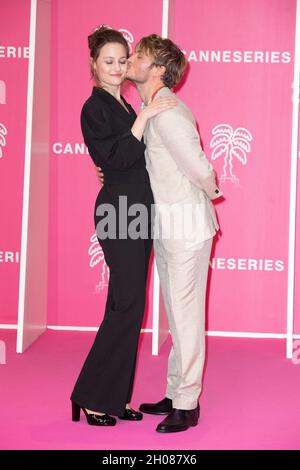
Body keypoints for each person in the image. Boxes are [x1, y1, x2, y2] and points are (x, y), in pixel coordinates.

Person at [96, 34, 223, 433]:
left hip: (186, 227)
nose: (129, 60)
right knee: (176, 314)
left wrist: (211, 194)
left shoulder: (167, 112)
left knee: (185, 317)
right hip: (167, 228)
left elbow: (200, 168)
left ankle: (187, 404)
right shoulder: (150, 109)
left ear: (158, 71)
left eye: (139, 57)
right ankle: (175, 392)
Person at [70, 27, 177, 427]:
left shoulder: (123, 106)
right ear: (94, 65)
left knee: (129, 307)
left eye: (121, 60)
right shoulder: (94, 107)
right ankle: (92, 397)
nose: (116, 68)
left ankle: (110, 398)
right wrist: (147, 115)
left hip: (136, 209)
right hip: (120, 213)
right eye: (108, 61)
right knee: (126, 305)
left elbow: (127, 161)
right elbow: (115, 158)